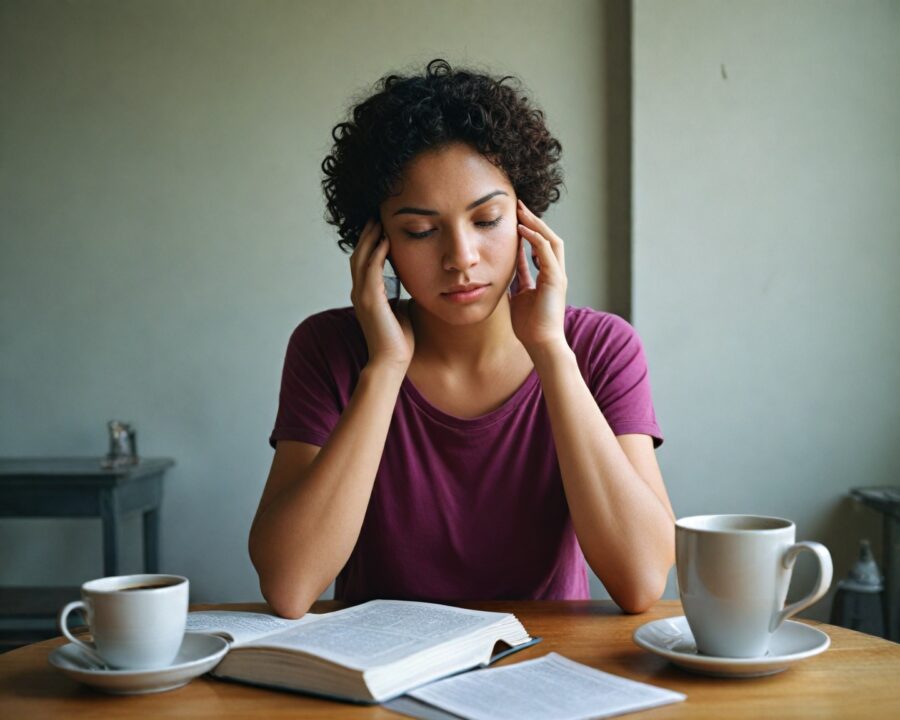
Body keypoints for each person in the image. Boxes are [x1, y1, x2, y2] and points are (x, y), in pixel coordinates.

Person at [249, 59, 675, 619]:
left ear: (527, 219)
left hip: (543, 671)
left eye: (487, 219)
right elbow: (288, 585)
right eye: (420, 231)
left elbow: (642, 580)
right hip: (379, 678)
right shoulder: (329, 348)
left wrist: (550, 350)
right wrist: (384, 368)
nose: (461, 258)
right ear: (379, 245)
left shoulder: (599, 348)